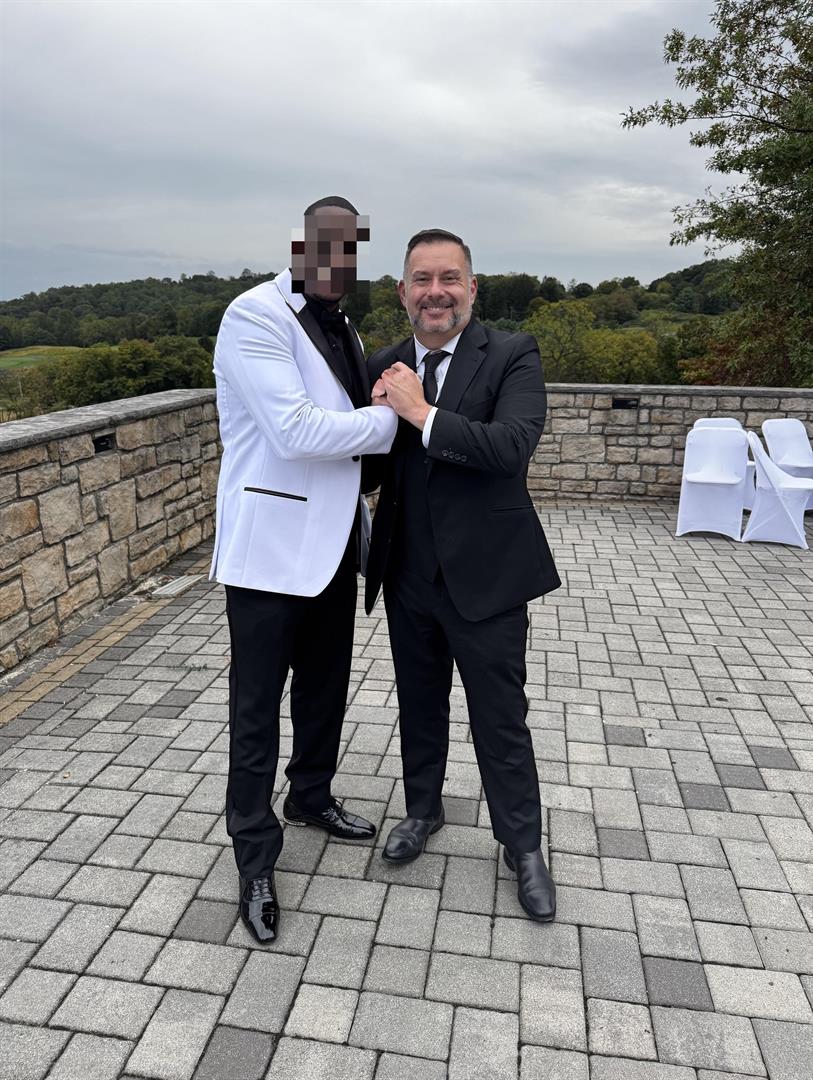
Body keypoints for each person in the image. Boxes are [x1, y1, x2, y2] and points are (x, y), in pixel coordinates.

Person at [210, 197, 397, 942]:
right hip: (268, 553)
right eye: (324, 243)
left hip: (334, 546)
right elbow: (293, 430)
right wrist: (397, 417)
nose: (335, 259)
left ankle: (310, 796)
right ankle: (254, 855)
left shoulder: (344, 325)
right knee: (256, 711)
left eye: (349, 247)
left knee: (324, 689)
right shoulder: (253, 316)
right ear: (300, 244)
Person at [365, 228, 561, 921]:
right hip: (407, 574)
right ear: (402, 292)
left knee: (499, 718)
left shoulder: (511, 354)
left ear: (471, 288)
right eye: (422, 279)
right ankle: (423, 810)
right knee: (419, 706)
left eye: (449, 278)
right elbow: (370, 466)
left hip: (487, 579)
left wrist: (419, 413)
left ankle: (522, 845)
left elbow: (511, 448)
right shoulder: (385, 363)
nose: (435, 292)